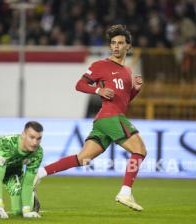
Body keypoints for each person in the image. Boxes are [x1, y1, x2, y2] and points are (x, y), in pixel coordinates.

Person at [35, 24, 147, 211]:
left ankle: (39, 174)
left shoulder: (127, 72)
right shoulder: (100, 65)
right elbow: (79, 85)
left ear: (128, 46)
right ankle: (125, 192)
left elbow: (124, 102)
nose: (116, 46)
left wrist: (136, 90)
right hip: (110, 116)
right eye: (113, 43)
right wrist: (98, 90)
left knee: (83, 158)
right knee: (140, 149)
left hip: (108, 119)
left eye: (120, 43)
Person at [0, 121, 44, 219]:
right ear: (23, 135)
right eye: (31, 137)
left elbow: (28, 183)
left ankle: (31, 200)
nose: (35, 143)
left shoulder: (38, 153)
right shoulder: (7, 145)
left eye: (38, 138)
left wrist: (27, 211)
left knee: (20, 211)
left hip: (13, 171)